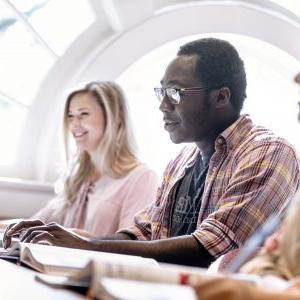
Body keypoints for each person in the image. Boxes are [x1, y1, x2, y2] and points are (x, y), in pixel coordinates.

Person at [3, 38, 300, 268]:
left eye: (175, 93)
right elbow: (142, 232)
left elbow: (208, 249)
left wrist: (87, 246)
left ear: (221, 96)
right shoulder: (180, 162)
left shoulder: (268, 152)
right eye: (161, 93)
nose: (163, 106)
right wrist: (71, 240)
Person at [192, 72, 300, 299]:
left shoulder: (272, 151)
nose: (296, 78)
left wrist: (255, 294)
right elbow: (270, 260)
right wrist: (271, 285)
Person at [2, 81, 158, 238]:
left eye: (83, 114)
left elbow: (131, 245)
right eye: (70, 116)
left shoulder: (141, 177)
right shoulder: (78, 177)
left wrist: (67, 237)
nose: (74, 124)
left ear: (114, 117)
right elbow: (36, 222)